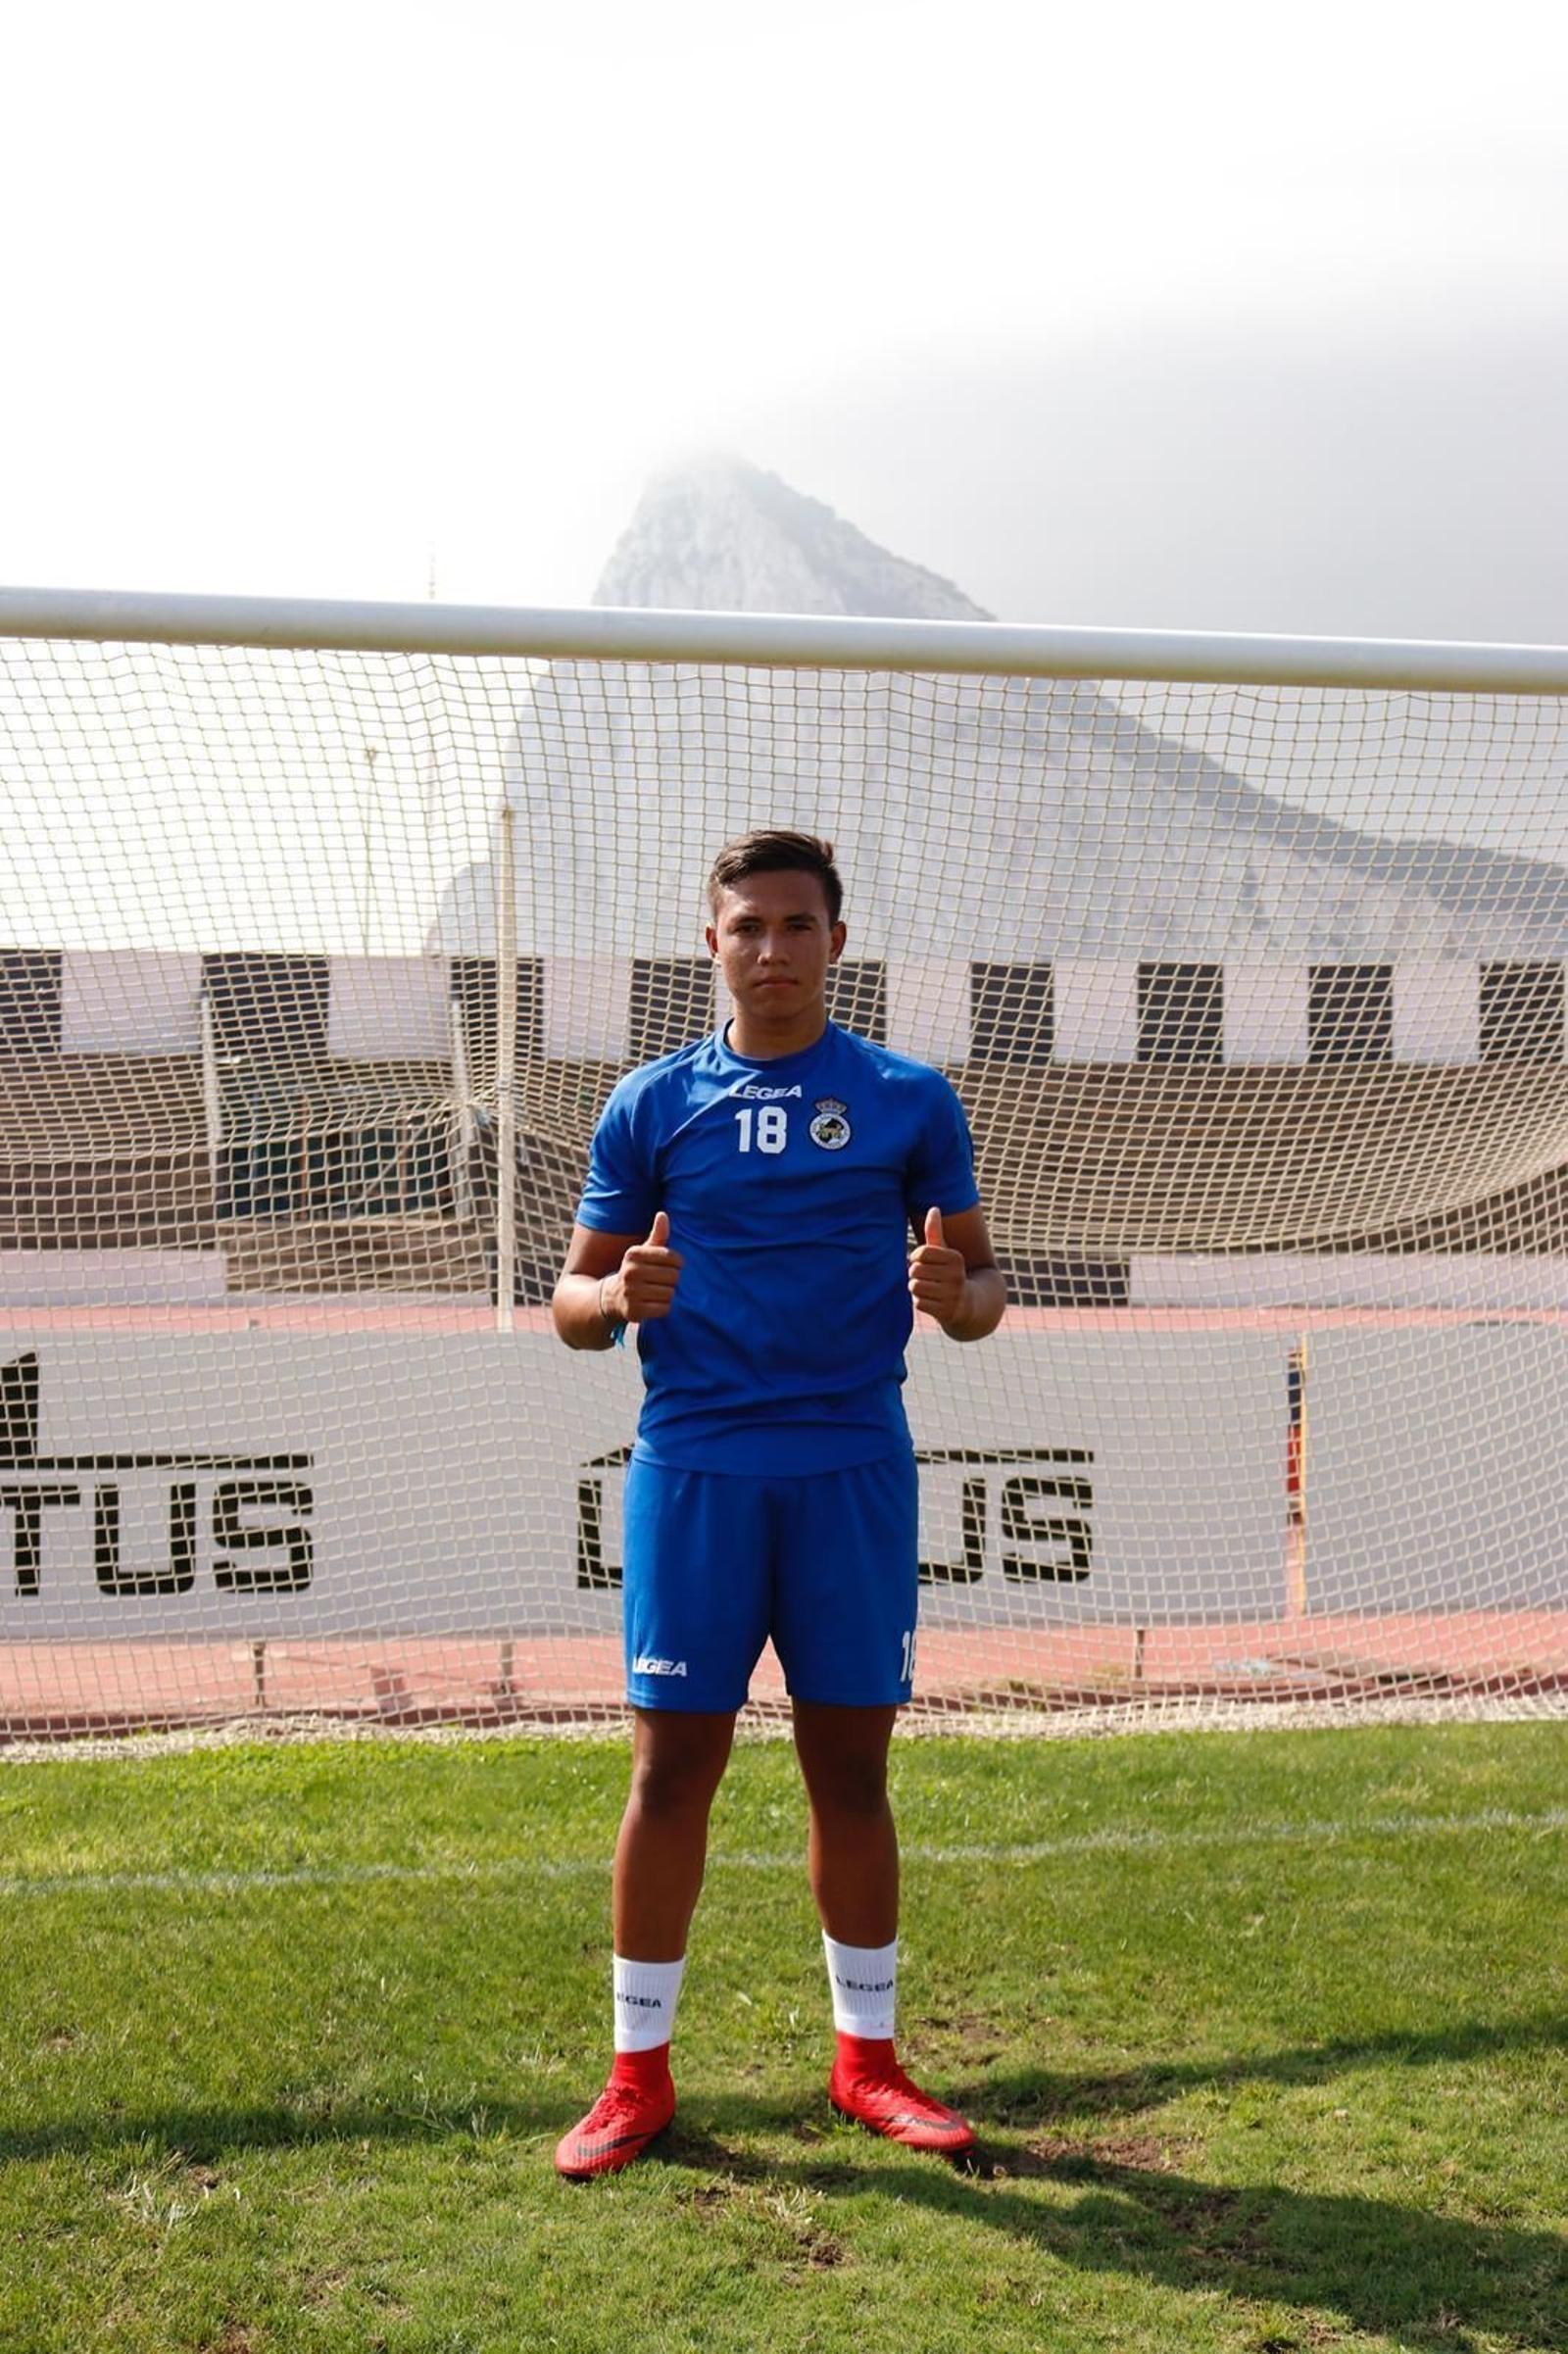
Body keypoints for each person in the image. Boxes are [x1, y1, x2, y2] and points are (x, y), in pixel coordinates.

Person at [549, 829, 1006, 2180]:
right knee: (670, 1770)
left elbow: (982, 1290)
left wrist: (954, 1300)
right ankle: (637, 2076)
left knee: (850, 1770)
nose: (773, 947)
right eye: (748, 924)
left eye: (798, 924)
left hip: (851, 1465)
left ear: (836, 943)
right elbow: (569, 1304)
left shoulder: (907, 1097)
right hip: (695, 1468)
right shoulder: (649, 1104)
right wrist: (614, 1298)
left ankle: (867, 2060)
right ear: (712, 942)